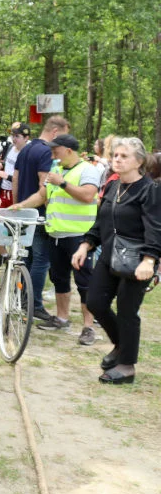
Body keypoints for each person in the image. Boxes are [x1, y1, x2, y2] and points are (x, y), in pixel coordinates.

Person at [73, 137, 161, 385]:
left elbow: (155, 228)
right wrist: (85, 245)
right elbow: (101, 223)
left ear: (139, 161)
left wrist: (149, 260)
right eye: (115, 155)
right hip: (109, 256)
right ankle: (122, 345)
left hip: (136, 260)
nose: (117, 160)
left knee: (126, 311)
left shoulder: (150, 190)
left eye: (124, 156)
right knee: (95, 302)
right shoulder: (113, 187)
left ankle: (127, 365)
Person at [12, 134, 101, 343]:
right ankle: (62, 318)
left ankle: (88, 327)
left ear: (69, 150)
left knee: (85, 282)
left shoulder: (87, 170)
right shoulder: (56, 171)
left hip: (80, 236)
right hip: (56, 234)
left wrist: (62, 184)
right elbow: (42, 196)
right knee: (59, 279)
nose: (53, 155)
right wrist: (20, 206)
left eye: (56, 151)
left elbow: (88, 195)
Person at [12, 115, 71, 322]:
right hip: (39, 215)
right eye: (63, 136)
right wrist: (50, 212)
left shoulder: (26, 148)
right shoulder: (47, 151)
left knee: (26, 259)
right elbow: (43, 186)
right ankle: (33, 303)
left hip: (24, 212)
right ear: (55, 131)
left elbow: (15, 180)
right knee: (41, 260)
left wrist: (17, 205)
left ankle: (20, 299)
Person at [0, 122, 29, 268]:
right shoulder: (9, 148)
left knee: (16, 228)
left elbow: (25, 178)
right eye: (13, 135)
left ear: (26, 138)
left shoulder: (27, 152)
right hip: (2, 192)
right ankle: (3, 254)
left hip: (17, 193)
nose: (14, 139)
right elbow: (2, 165)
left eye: (17, 136)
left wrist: (7, 176)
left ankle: (15, 259)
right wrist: (0, 166)